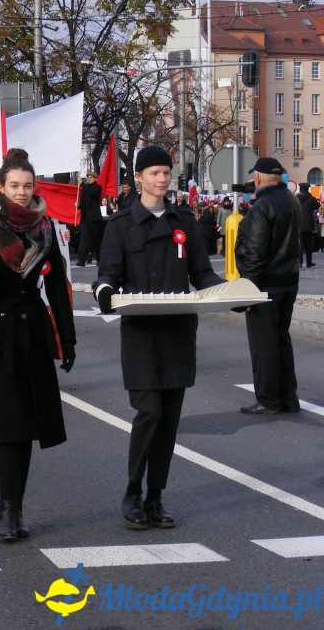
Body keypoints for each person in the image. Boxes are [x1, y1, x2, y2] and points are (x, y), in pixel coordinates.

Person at [93, 145, 223, 530]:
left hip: (177, 332)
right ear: (139, 178)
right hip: (142, 333)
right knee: (149, 412)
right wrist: (104, 292)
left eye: (166, 172)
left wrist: (231, 295)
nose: (162, 179)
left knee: (169, 419)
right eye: (154, 173)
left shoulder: (184, 220)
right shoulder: (120, 225)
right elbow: (107, 275)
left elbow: (202, 273)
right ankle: (133, 491)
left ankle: (156, 497)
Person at [0, 148, 76, 541]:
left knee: (27, 425)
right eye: (14, 186)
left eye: (27, 185)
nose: (22, 192)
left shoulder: (45, 229)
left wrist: (67, 338)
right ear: (1, 188)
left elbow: (56, 287)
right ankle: (7, 511)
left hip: (34, 332)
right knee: (10, 424)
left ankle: (16, 505)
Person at [235, 157, 302, 415]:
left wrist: (247, 292)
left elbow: (255, 252)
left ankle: (268, 399)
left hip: (265, 285)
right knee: (281, 339)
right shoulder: (291, 200)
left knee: (264, 344)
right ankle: (288, 398)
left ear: (259, 178)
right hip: (288, 281)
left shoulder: (262, 206)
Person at [75, 170, 103, 266]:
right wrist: (78, 205)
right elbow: (83, 202)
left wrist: (82, 183)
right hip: (85, 218)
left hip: (94, 219)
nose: (89, 179)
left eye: (91, 177)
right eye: (88, 177)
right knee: (84, 240)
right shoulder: (85, 188)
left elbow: (91, 193)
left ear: (95, 179)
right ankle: (81, 260)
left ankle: (100, 259)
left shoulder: (97, 187)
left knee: (96, 240)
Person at [297, 182, 320, 268]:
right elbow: (317, 206)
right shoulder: (311, 199)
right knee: (308, 245)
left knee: (299, 245)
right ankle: (309, 262)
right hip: (308, 225)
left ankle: (299, 263)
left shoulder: (295, 198)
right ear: (307, 189)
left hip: (298, 225)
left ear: (300, 189)